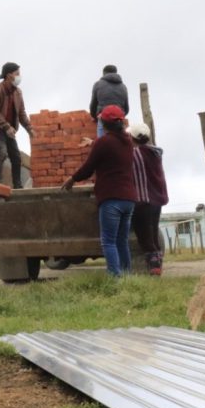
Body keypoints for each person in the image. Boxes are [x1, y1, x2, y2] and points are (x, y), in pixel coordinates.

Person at [62, 106, 137, 276]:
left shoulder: (104, 142)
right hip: (129, 199)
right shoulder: (128, 142)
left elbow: (88, 168)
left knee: (108, 241)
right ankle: (127, 276)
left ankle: (115, 279)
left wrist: (72, 179)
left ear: (104, 122)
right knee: (121, 241)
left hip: (112, 198)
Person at [0, 62, 35, 189]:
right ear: (8, 75)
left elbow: (21, 113)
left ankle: (18, 186)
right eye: (17, 74)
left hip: (9, 130)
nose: (19, 77)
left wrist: (29, 128)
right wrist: (6, 127)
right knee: (2, 152)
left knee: (16, 157)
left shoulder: (18, 93)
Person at [128, 123, 168, 276]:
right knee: (152, 231)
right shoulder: (155, 152)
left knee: (144, 235)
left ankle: (154, 266)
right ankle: (157, 262)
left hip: (142, 199)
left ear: (132, 138)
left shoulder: (135, 153)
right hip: (157, 198)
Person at [89, 65, 129, 137]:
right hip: (119, 120)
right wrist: (118, 116)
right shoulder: (123, 86)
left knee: (102, 143)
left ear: (104, 73)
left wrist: (95, 117)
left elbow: (93, 105)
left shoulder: (98, 84)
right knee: (120, 143)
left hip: (103, 117)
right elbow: (127, 108)